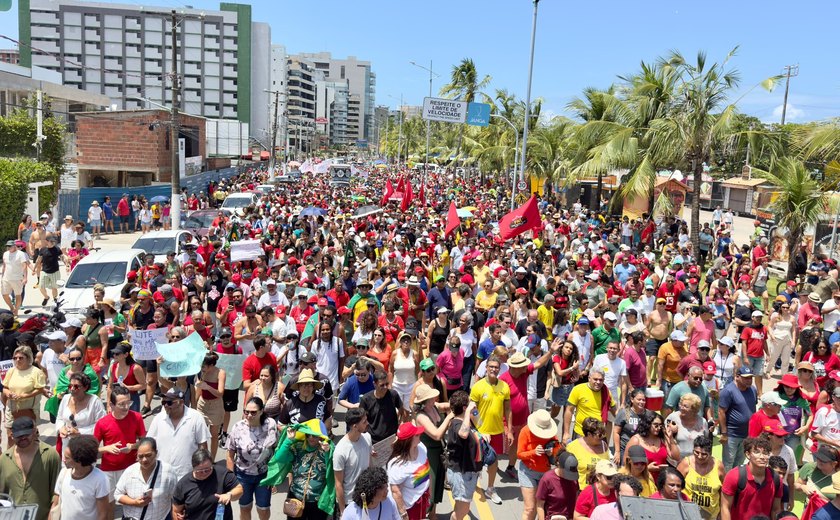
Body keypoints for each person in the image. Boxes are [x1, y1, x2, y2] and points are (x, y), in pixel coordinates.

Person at [93, 385, 146, 517]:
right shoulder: (102, 423)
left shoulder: (137, 418)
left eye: (129, 402)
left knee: (132, 503)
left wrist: (133, 446)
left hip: (131, 468)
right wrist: (106, 448)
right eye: (122, 404)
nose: (126, 407)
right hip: (109, 470)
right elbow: (92, 449)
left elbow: (145, 443)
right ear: (111, 405)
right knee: (109, 505)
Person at [266, 419, 335, 520]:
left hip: (317, 501)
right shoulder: (298, 448)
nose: (311, 438)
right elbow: (279, 457)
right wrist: (288, 440)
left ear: (321, 436)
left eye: (315, 435)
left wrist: (328, 452)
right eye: (308, 435)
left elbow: (333, 472)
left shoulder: (328, 449)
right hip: (295, 497)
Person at [225, 397, 279, 520]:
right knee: (244, 508)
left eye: (253, 412)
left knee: (263, 509)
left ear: (261, 411)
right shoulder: (237, 427)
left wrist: (274, 477)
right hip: (242, 476)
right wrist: (231, 478)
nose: (249, 415)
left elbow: (276, 451)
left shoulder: (270, 425)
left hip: (264, 476)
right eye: (246, 411)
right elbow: (230, 454)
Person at [469, 355, 511, 505]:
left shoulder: (504, 387)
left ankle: (490, 488)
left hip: (497, 431)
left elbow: (507, 409)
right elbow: (472, 410)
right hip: (480, 433)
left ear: (499, 369)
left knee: (493, 462)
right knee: (477, 462)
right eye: (491, 366)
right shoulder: (478, 386)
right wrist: (480, 429)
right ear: (486, 368)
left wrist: (509, 430)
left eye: (496, 367)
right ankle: (472, 483)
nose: (493, 369)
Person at [0, 417, 61, 520]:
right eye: (19, 436)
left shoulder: (50, 455)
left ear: (34, 431)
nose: (23, 438)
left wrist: (52, 516)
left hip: (42, 516)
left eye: (26, 434)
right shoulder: (4, 459)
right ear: (11, 436)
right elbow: (2, 495)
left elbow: (57, 491)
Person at [147, 388, 211, 481]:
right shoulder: (158, 418)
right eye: (163, 402)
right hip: (161, 474)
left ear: (181, 402)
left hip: (187, 475)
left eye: (169, 403)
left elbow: (202, 446)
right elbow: (149, 443)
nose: (165, 405)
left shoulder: (196, 417)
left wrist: (201, 469)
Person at [413, 383, 454, 519]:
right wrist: (449, 417)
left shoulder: (434, 407)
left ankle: (432, 514)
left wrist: (463, 401)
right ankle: (423, 514)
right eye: (431, 397)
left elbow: (447, 405)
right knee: (430, 485)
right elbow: (436, 434)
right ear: (425, 401)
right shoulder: (421, 416)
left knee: (437, 484)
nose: (435, 398)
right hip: (428, 454)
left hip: (439, 451)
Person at [114, 437, 178, 520]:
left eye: (148, 455)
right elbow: (117, 494)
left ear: (156, 453)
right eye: (140, 456)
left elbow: (175, 498)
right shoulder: (129, 471)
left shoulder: (168, 472)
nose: (144, 460)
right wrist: (134, 502)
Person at [721, 436, 782, 520]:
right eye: (757, 452)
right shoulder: (734, 476)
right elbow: (725, 507)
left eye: (765, 453)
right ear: (748, 454)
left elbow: (776, 510)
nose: (762, 457)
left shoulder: (776, 479)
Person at [445, 390, 485, 520]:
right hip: (461, 474)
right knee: (462, 511)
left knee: (461, 508)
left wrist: (474, 412)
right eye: (469, 404)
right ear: (464, 408)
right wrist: (468, 412)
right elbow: (463, 434)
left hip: (468, 472)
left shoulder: (467, 421)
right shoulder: (457, 424)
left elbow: (480, 423)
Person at [172, 448, 243, 520]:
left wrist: (229, 495)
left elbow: (239, 489)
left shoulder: (222, 474)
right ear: (193, 468)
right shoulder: (183, 484)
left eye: (207, 470)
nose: (204, 473)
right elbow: (176, 511)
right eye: (200, 471)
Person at [518, 409, 563, 520]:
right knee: (530, 508)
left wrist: (552, 452)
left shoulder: (551, 433)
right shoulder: (525, 431)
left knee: (541, 507)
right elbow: (519, 454)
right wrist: (533, 452)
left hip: (545, 473)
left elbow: (559, 448)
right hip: (528, 472)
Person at [53, 435, 109, 520]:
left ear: (79, 461)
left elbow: (103, 514)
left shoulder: (100, 479)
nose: (64, 460)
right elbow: (55, 503)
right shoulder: (64, 472)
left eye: (67, 458)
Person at [387, 422, 431, 520]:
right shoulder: (397, 465)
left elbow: (428, 473)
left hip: (423, 498)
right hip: (411, 507)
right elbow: (395, 491)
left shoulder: (422, 447)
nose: (420, 435)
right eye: (417, 435)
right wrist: (404, 514)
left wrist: (429, 492)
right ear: (409, 440)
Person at [334, 408, 373, 516]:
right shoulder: (340, 450)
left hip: (366, 499)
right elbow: (338, 484)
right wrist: (343, 512)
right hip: (349, 502)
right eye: (364, 422)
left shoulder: (367, 438)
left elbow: (370, 467)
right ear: (355, 426)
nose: (367, 423)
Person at [718, 366, 758, 470]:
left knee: (740, 461)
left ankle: (736, 483)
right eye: (746, 378)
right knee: (728, 462)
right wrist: (724, 433)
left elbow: (753, 410)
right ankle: (726, 484)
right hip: (732, 434)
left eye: (750, 377)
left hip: (747, 434)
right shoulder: (728, 391)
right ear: (737, 377)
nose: (749, 380)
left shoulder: (753, 390)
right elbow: (721, 412)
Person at [563, 368, 616, 443]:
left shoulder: (606, 392)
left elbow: (615, 412)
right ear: (589, 378)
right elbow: (569, 410)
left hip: (599, 435)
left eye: (601, 380)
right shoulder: (578, 389)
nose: (598, 382)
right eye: (595, 379)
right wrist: (566, 433)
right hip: (581, 434)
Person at [624, 411, 680, 482]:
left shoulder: (662, 439)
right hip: (642, 480)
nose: (658, 428)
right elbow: (626, 463)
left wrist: (671, 438)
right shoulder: (636, 440)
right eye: (656, 425)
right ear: (647, 424)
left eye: (660, 425)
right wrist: (647, 469)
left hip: (661, 481)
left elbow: (676, 457)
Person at [196, 352, 226, 458]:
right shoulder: (201, 372)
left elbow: (220, 393)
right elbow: (198, 390)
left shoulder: (220, 372)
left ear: (212, 365)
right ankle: (204, 458)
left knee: (213, 435)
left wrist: (208, 387)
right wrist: (194, 405)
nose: (202, 368)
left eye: (204, 366)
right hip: (202, 404)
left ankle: (212, 459)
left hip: (215, 405)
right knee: (201, 435)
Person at [536, 451, 580, 520]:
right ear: (558, 464)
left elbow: (576, 500)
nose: (569, 476)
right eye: (566, 472)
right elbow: (540, 506)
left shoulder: (573, 478)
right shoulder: (547, 479)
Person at [665, 393, 709, 458]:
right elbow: (663, 438)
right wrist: (671, 433)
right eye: (681, 405)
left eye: (685, 406)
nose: (681, 408)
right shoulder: (672, 418)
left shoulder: (702, 422)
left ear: (694, 410)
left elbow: (705, 442)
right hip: (675, 460)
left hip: (695, 461)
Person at [613, 389, 646, 463]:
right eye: (639, 399)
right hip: (625, 450)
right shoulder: (624, 413)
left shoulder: (647, 414)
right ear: (632, 399)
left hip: (641, 450)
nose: (641, 402)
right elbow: (616, 432)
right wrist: (617, 452)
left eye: (643, 400)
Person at [2, 239, 30, 315]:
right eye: (7, 246)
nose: (8, 248)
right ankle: (12, 308)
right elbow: (4, 265)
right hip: (6, 278)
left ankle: (16, 311)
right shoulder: (5, 254)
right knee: (4, 294)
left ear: (14, 246)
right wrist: (2, 276)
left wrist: (25, 278)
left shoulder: (20, 254)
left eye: (10, 246)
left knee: (18, 295)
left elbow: (24, 266)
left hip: (17, 278)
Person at [811, 387, 840, 451]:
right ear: (833, 397)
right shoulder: (824, 412)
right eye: (839, 398)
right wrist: (833, 443)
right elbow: (814, 434)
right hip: (827, 451)